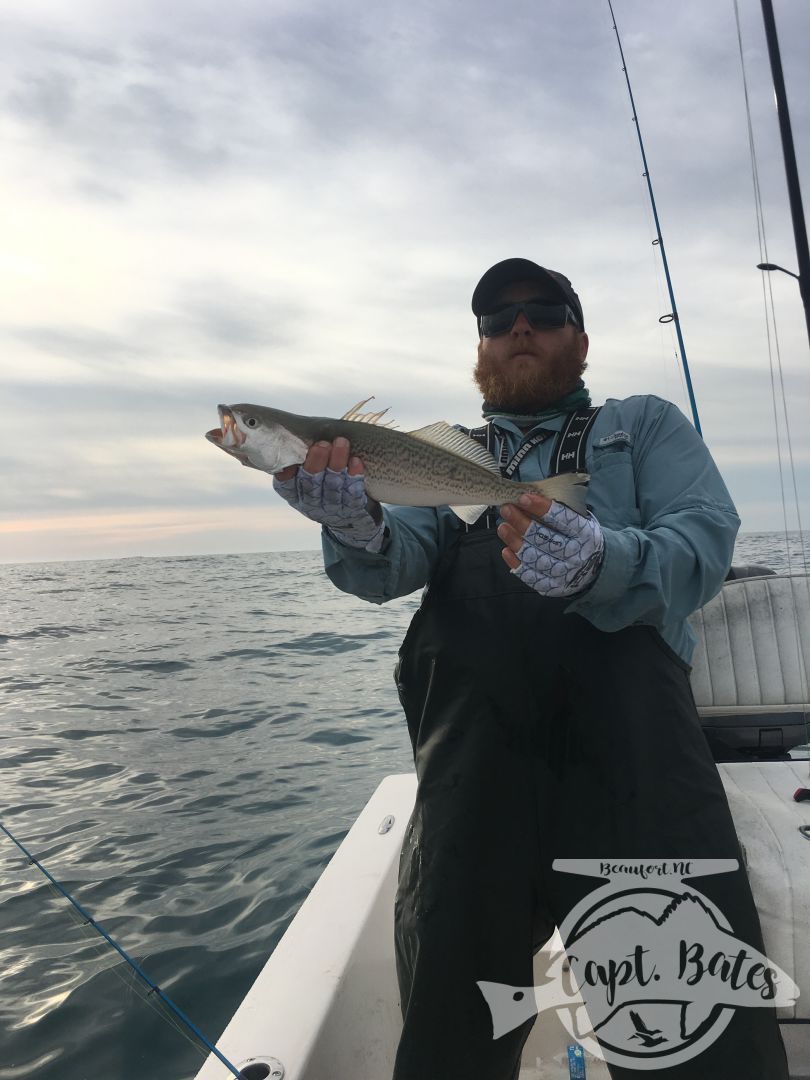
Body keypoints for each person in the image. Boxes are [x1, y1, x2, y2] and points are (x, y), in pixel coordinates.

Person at [272, 258, 788, 1079]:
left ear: (579, 340)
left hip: (638, 778)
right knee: (452, 1040)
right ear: (478, 348)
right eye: (496, 319)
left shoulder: (644, 428)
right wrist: (358, 526)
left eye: (543, 312)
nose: (519, 327)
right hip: (476, 785)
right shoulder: (438, 455)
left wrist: (603, 562)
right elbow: (395, 561)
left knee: (696, 1040)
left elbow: (702, 541)